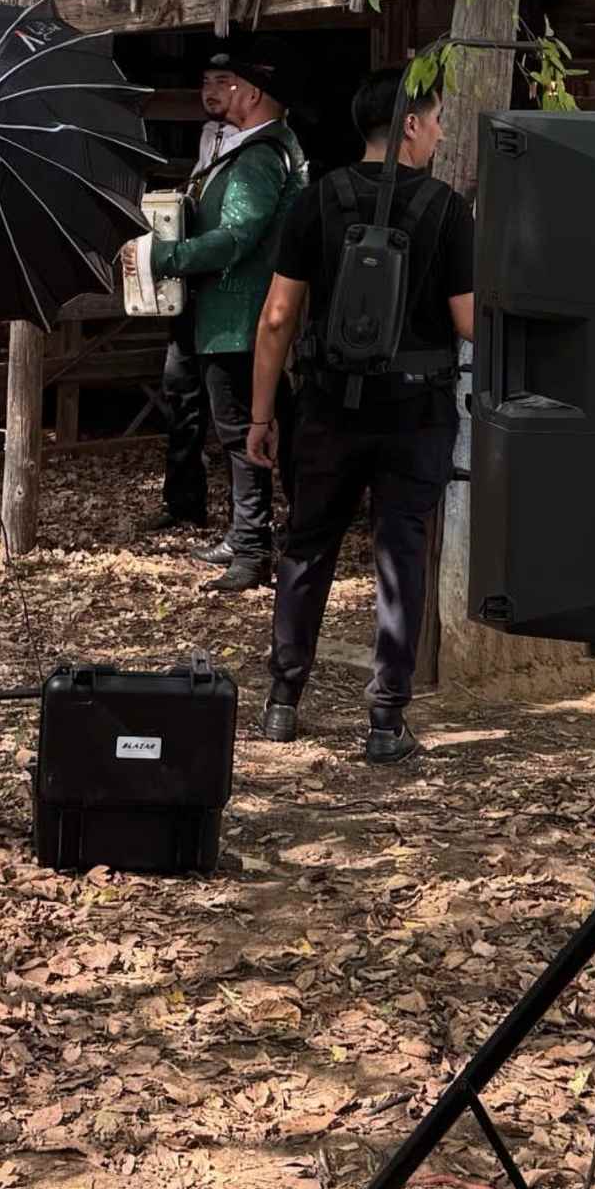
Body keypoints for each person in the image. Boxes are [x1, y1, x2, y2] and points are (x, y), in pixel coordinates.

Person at [247, 65, 475, 762]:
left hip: (327, 405)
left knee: (307, 546)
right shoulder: (445, 209)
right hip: (416, 408)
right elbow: (469, 323)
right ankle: (384, 721)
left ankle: (283, 704)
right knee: (401, 552)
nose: (439, 133)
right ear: (409, 124)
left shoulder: (316, 201)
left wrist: (263, 415)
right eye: (436, 120)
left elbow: (279, 315)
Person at [133, 51, 307, 591]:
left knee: (240, 431)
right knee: (259, 424)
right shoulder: (255, 149)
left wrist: (166, 257)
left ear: (252, 94)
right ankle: (255, 532)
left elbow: (237, 238)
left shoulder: (258, 157)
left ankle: (253, 547)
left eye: (226, 83)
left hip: (239, 313)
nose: (215, 92)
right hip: (235, 312)